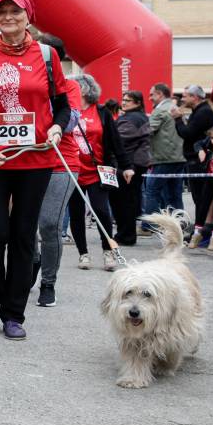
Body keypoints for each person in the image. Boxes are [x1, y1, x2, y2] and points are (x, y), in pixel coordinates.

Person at [0, 0, 73, 340]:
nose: (8, 17)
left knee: (23, 236)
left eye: (16, 11)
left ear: (29, 16)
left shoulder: (47, 55)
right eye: (2, 12)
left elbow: (63, 106)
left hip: (35, 160)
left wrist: (57, 127)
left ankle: (14, 313)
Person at [67, 73, 133, 271]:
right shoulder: (67, 110)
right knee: (76, 213)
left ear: (84, 90)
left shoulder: (102, 112)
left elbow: (115, 141)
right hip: (72, 170)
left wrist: (126, 166)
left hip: (97, 171)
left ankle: (108, 250)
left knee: (102, 210)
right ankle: (83, 253)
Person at [33, 79, 82, 308]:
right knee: (24, 223)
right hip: (27, 159)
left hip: (61, 162)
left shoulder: (68, 85)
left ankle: (48, 283)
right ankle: (33, 261)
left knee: (49, 224)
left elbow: (70, 122)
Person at [172, 84, 213, 230]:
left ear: (194, 97)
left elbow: (188, 134)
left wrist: (178, 119)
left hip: (200, 161)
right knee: (199, 197)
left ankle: (202, 229)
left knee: (201, 197)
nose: (182, 99)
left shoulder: (203, 112)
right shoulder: (199, 111)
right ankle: (200, 228)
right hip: (195, 160)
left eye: (185, 96)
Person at [110, 90, 152, 245]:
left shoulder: (131, 119)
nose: (124, 102)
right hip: (134, 164)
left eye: (128, 100)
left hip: (128, 165)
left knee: (124, 202)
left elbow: (118, 141)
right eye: (123, 99)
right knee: (128, 201)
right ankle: (125, 234)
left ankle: (125, 236)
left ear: (138, 103)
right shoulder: (137, 117)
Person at [143, 82, 184, 220]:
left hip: (163, 158)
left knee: (152, 191)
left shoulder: (160, 110)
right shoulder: (174, 108)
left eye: (151, 95)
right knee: (174, 194)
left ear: (160, 94)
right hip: (178, 158)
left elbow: (147, 131)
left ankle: (150, 224)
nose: (149, 98)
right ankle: (179, 223)